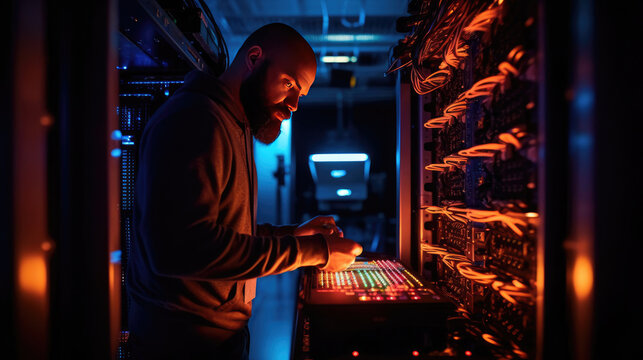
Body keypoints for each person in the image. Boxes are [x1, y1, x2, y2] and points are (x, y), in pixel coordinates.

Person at [126, 23, 363, 359]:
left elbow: (223, 234)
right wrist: (313, 251)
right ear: (254, 58)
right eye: (289, 84)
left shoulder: (231, 124)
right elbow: (181, 249)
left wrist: (294, 236)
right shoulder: (195, 121)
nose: (294, 104)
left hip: (213, 340)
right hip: (183, 346)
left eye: (300, 94)